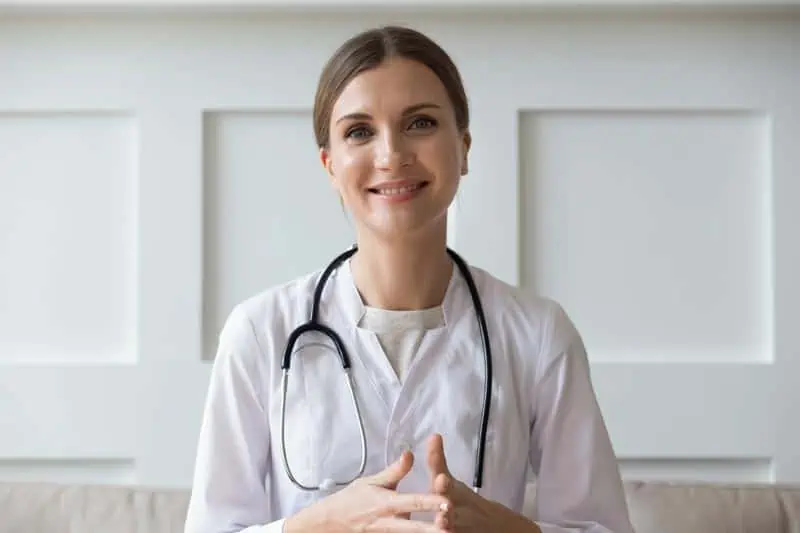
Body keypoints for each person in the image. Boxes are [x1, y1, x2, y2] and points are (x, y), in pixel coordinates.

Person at [184, 25, 635, 533]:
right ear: (330, 165)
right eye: (359, 131)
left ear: (463, 148)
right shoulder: (260, 332)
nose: (391, 154)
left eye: (420, 122)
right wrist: (312, 527)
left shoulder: (539, 334)